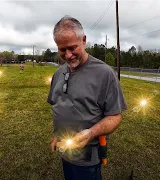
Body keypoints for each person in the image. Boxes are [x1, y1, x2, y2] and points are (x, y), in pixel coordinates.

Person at [47, 15, 127, 180]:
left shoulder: (104, 73)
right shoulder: (58, 73)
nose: (68, 55)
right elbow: (59, 106)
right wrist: (58, 135)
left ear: (83, 40)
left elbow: (115, 116)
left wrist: (91, 133)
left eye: (72, 48)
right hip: (65, 152)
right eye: (62, 50)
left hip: (87, 159)